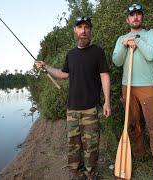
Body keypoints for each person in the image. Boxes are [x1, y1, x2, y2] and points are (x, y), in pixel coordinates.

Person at [35, 16, 111, 180]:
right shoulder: (70, 54)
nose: (83, 30)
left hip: (91, 108)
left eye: (86, 27)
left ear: (90, 31)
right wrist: (46, 66)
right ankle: (77, 173)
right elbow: (63, 74)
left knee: (91, 145)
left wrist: (107, 102)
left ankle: (90, 173)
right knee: (73, 145)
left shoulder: (98, 52)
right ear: (75, 31)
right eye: (80, 27)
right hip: (72, 109)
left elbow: (104, 76)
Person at [112, 3, 153, 180]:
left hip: (147, 86)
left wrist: (136, 40)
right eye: (132, 15)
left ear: (142, 17)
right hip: (127, 86)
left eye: (138, 14)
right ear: (127, 19)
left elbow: (151, 55)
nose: (135, 17)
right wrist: (124, 45)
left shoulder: (151, 34)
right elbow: (117, 61)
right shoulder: (121, 38)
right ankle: (139, 155)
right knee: (133, 125)